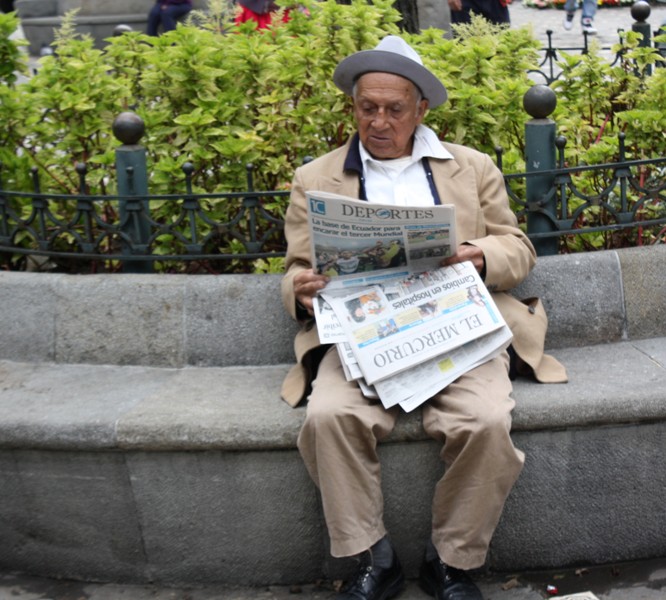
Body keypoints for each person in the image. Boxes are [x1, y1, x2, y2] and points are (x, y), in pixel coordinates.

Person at [280, 35, 567, 600]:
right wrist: (303, 289)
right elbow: (293, 269)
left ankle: (451, 562)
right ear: (353, 108)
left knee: (485, 422)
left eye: (394, 109)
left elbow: (519, 247)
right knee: (329, 416)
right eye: (368, 108)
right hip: (366, 334)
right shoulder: (316, 177)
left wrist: (479, 253)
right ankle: (373, 559)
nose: (379, 122)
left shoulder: (470, 167)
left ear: (421, 111)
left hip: (456, 326)